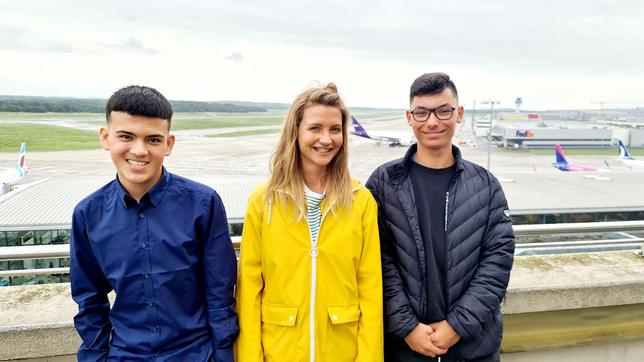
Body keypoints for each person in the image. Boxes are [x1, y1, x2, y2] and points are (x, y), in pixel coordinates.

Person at [70, 85, 238, 361]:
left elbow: (220, 293)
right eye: (126, 136)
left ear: (168, 144)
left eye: (153, 139)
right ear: (105, 137)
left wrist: (223, 355)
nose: (139, 150)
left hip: (195, 353)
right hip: (125, 354)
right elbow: (89, 300)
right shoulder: (88, 214)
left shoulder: (204, 204)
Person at [366, 73, 515, 362]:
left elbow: (497, 261)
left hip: (472, 348)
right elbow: (375, 260)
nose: (432, 122)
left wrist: (457, 325)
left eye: (443, 111)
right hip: (403, 349)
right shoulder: (384, 182)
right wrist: (407, 327)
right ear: (409, 117)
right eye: (422, 113)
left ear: (459, 114)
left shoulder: (485, 184)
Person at [235, 83, 383, 361]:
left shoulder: (361, 201)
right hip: (281, 350)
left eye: (335, 129)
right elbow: (249, 292)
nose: (326, 139)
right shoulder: (264, 201)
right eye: (315, 128)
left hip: (342, 351)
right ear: (296, 131)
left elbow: (371, 292)